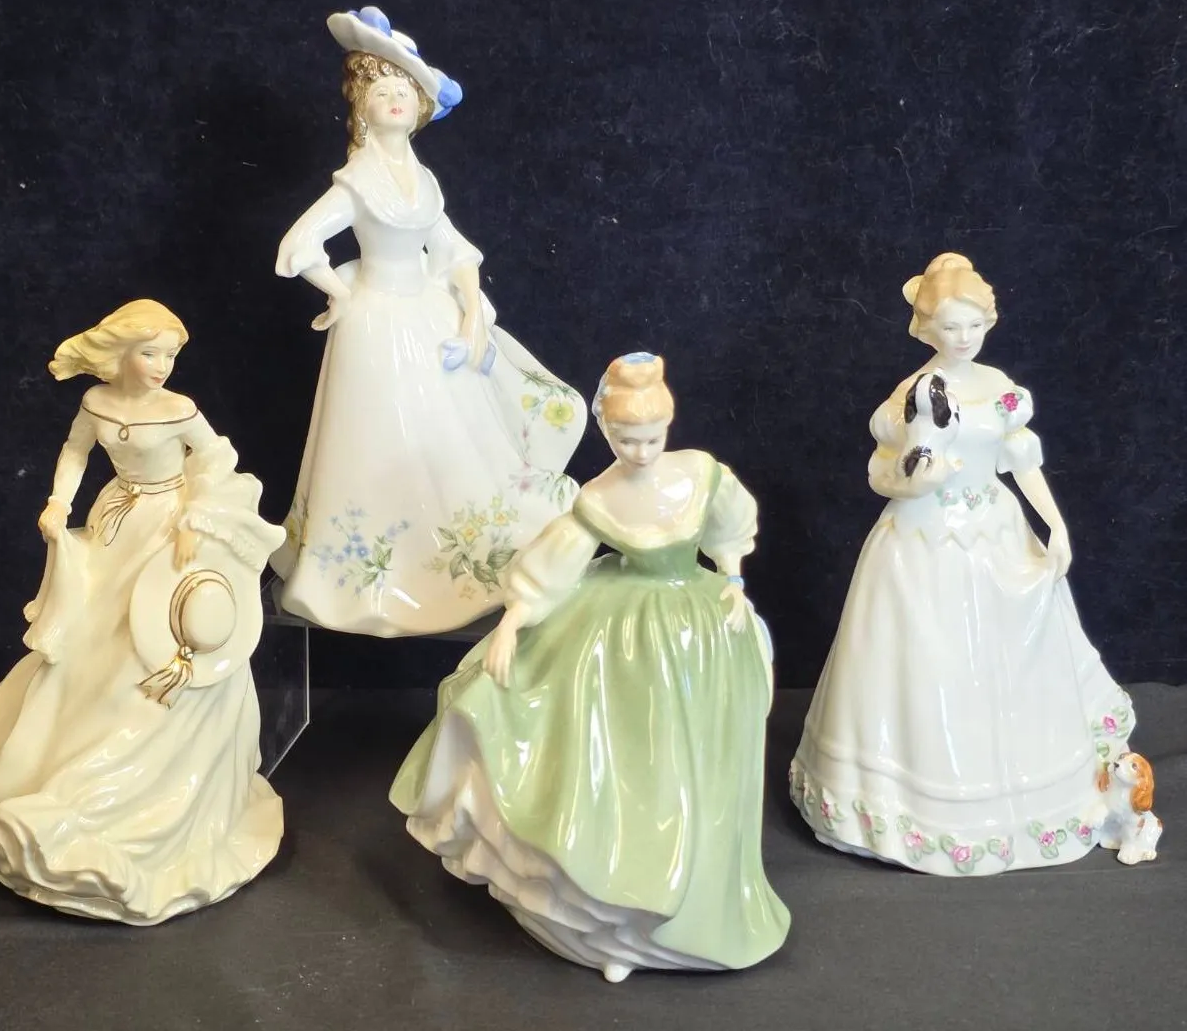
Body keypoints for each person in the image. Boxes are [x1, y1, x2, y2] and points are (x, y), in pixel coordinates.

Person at [391, 353, 789, 982]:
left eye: (651, 438)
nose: (641, 452)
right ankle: (609, 914)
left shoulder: (698, 473)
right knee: (615, 751)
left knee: (695, 761)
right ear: (607, 433)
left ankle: (693, 902)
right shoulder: (598, 497)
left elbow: (731, 523)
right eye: (627, 440)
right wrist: (513, 622)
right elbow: (554, 564)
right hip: (622, 633)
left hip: (699, 626)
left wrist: (734, 580)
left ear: (668, 426)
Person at [0, 300, 284, 923]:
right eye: (150, 353)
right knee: (88, 640)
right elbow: (75, 452)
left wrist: (196, 517)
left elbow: (215, 458)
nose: (162, 366)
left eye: (171, 355)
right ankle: (46, 766)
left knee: (152, 638)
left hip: (169, 530)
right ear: (121, 354)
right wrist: (59, 502)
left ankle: (154, 780)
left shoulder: (179, 409)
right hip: (115, 521)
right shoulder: (96, 403)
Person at [790, 253, 1135, 875]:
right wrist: (918, 479)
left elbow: (1020, 461)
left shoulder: (999, 388)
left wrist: (1053, 524)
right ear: (926, 328)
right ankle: (914, 807)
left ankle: (1031, 791)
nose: (964, 337)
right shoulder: (911, 397)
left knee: (1011, 648)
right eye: (951, 326)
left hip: (995, 532)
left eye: (974, 324)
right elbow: (883, 475)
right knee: (926, 661)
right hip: (923, 540)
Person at [270, 7, 585, 636]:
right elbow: (299, 245)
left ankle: (455, 562)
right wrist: (340, 293)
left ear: (418, 107)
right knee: (377, 441)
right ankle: (373, 576)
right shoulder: (358, 181)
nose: (394, 99)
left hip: (427, 313)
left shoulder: (422, 177)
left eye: (404, 91)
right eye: (381, 91)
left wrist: (470, 306)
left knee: (452, 436)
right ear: (362, 108)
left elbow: (452, 247)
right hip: (377, 325)